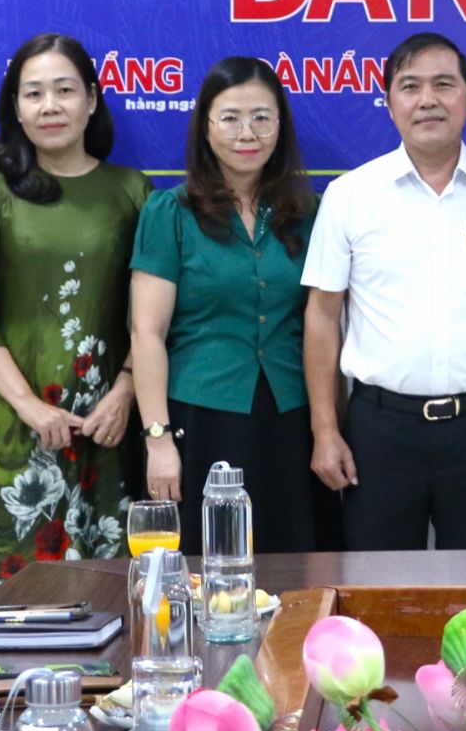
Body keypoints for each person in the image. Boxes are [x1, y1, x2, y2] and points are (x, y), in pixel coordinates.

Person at [302, 32, 466, 550]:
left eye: (444, 84)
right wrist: (326, 431)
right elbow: (322, 319)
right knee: (381, 597)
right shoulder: (350, 196)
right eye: (409, 86)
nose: (428, 100)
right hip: (379, 431)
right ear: (389, 102)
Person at [0, 33, 151, 600]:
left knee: (108, 595)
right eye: (33, 93)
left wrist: (126, 392)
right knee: (9, 599)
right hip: (14, 427)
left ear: (91, 99)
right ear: (16, 107)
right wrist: (27, 404)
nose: (50, 106)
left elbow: (155, 309)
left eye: (64, 90)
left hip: (107, 427)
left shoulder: (132, 190)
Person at [128, 57, 333, 551]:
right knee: (209, 567)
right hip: (199, 418)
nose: (248, 132)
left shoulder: (311, 213)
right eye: (231, 117)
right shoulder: (169, 211)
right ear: (205, 128)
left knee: (295, 562)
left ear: (281, 127)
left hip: (291, 418)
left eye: (263, 117)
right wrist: (158, 440)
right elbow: (146, 333)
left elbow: (324, 322)